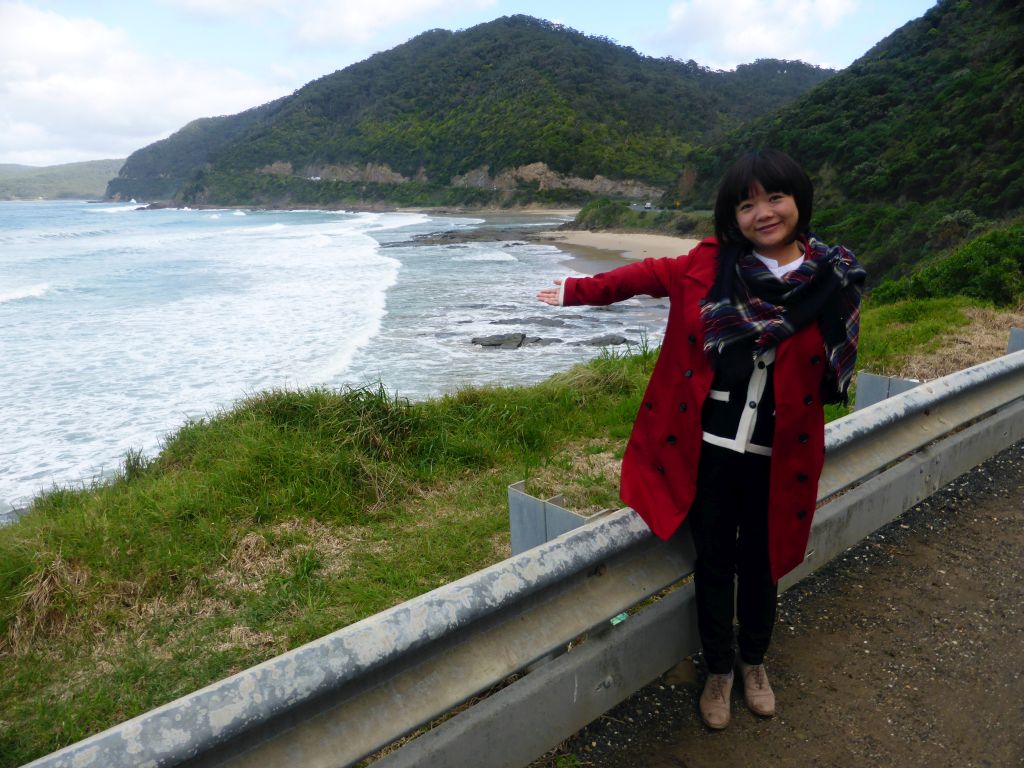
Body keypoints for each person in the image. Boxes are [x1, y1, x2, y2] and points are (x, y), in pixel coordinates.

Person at [536, 149, 865, 730]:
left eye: (774, 198)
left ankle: (754, 663)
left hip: (778, 454)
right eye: (746, 204)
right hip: (707, 451)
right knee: (714, 563)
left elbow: (831, 367)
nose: (762, 213)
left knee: (762, 565)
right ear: (731, 215)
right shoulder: (709, 267)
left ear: (798, 201)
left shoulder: (834, 279)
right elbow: (644, 276)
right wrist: (575, 290)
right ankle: (717, 670)